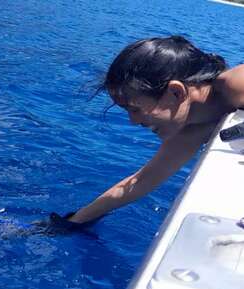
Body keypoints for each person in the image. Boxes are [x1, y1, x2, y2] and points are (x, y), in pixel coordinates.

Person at [51, 35, 244, 229]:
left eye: (135, 109)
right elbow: (139, 182)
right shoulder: (191, 130)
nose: (133, 121)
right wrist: (71, 222)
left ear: (176, 92)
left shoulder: (234, 84)